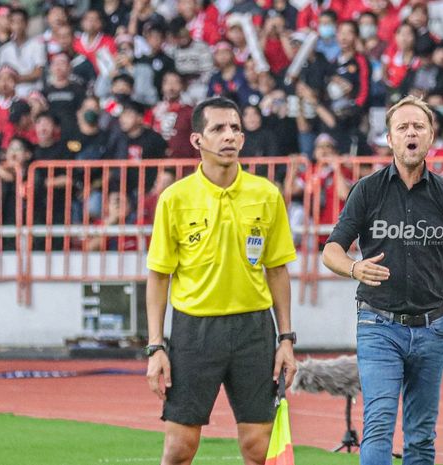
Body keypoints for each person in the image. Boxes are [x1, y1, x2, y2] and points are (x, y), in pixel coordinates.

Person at [321, 95, 443, 465]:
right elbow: (331, 251)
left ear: (430, 138)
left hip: (432, 329)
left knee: (421, 434)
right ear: (390, 139)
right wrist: (355, 268)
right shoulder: (367, 190)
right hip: (378, 324)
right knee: (377, 422)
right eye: (403, 127)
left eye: (418, 126)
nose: (411, 132)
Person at [145, 97, 297, 465]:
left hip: (254, 330)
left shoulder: (266, 194)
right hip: (194, 331)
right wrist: (155, 347)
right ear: (197, 140)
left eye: (235, 128)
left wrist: (287, 340)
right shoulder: (175, 198)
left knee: (259, 447)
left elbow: (277, 270)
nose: (229, 136)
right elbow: (159, 276)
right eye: (218, 129)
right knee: (180, 447)